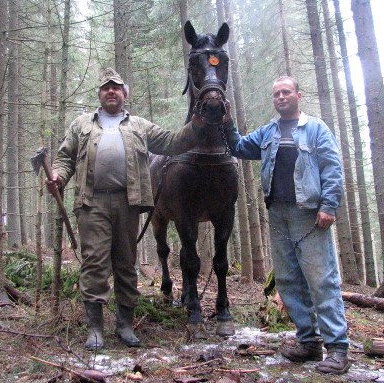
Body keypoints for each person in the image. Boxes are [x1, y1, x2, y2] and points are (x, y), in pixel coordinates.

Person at [46, 68, 211, 350]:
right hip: (92, 201)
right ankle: (95, 328)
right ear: (99, 94)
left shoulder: (140, 126)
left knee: (125, 263)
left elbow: (172, 142)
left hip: (128, 202)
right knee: (95, 263)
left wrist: (197, 124)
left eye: (116, 88)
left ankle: (124, 325)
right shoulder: (82, 124)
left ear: (125, 94)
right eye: (106, 88)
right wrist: (58, 178)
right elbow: (65, 158)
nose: (111, 91)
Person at [224, 76, 351, 374]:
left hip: (309, 214)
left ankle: (338, 349)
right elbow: (240, 148)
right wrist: (227, 122)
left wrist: (329, 205)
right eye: (276, 94)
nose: (281, 97)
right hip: (277, 214)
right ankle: (309, 342)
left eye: (286, 92)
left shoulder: (316, 128)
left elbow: (332, 168)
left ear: (298, 95)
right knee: (288, 281)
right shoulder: (269, 131)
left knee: (321, 281)